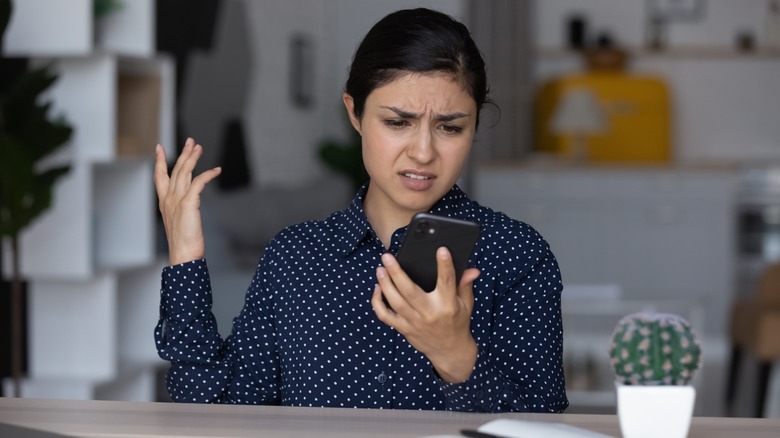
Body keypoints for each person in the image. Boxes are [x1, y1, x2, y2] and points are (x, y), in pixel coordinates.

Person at [154, 7, 568, 413]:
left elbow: (542, 425)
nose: (423, 152)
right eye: (397, 122)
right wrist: (185, 259)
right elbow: (214, 409)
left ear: (474, 126)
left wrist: (457, 357)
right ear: (355, 113)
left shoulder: (516, 256)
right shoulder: (295, 258)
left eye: (450, 127)